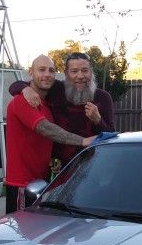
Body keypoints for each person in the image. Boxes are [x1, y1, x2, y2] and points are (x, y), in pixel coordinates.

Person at [5, 54, 95, 214]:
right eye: (41, 69)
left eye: (51, 70)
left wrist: (54, 157)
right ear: (30, 73)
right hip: (22, 185)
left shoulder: (46, 103)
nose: (47, 74)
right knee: (21, 234)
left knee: (38, 232)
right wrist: (83, 141)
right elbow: (45, 128)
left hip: (41, 182)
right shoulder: (21, 100)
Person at [9, 51, 115, 166]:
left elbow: (110, 135)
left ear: (91, 72)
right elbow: (15, 86)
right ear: (66, 74)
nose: (80, 76)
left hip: (92, 164)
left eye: (85, 70)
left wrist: (98, 120)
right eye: (74, 71)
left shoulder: (103, 97)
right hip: (58, 167)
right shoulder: (56, 89)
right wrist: (25, 89)